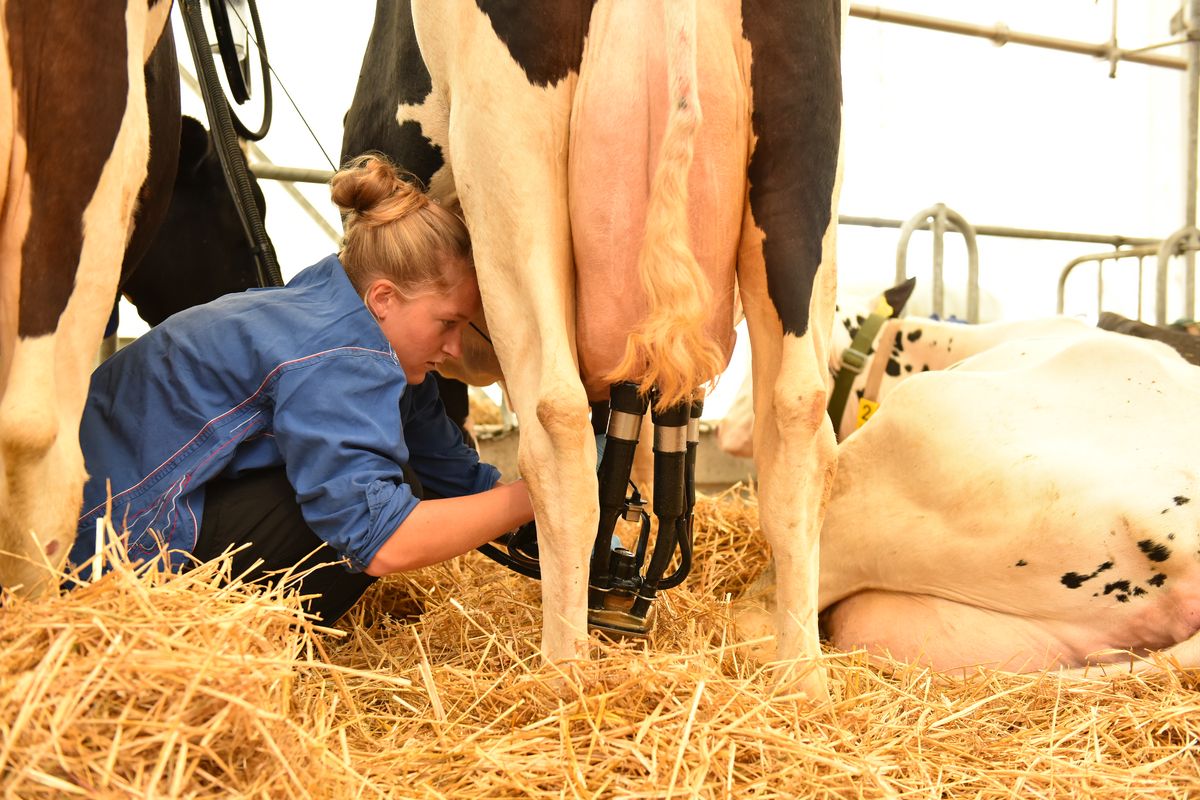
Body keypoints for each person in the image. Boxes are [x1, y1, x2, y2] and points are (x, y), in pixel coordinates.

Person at [69, 154, 534, 622]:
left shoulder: (342, 310)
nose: (455, 347)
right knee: (382, 496)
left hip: (95, 509)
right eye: (447, 323)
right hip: (107, 559)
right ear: (384, 298)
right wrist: (536, 495)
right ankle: (244, 649)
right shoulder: (341, 354)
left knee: (401, 470)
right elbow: (382, 541)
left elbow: (455, 478)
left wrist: (552, 515)